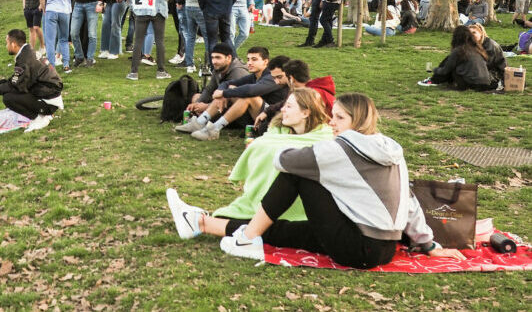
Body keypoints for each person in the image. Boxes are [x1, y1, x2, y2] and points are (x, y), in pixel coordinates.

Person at [168, 93, 465, 268]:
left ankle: (244, 239)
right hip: (381, 247)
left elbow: (283, 162)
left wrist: (289, 148)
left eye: (338, 118)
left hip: (358, 246)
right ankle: (201, 223)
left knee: (296, 175)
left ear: (356, 122)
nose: (331, 123)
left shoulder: (341, 148)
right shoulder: (390, 147)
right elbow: (408, 200)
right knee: (284, 231)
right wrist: (428, 245)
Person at [171, 88, 334, 234]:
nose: (283, 109)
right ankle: (198, 220)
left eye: (289, 106)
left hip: (303, 210)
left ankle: (198, 221)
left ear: (306, 113)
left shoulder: (324, 139)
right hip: (276, 202)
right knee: (230, 216)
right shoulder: (278, 132)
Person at [184, 48, 289, 141]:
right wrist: (223, 93)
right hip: (259, 115)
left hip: (274, 117)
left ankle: (215, 128)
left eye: (254, 59)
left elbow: (251, 91)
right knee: (230, 89)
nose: (249, 63)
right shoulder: (254, 76)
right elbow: (227, 84)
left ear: (265, 61)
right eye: (248, 59)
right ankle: (200, 122)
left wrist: (224, 93)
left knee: (248, 97)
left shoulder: (273, 76)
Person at [175, 43, 250, 134]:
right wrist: (197, 103)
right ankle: (200, 120)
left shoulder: (238, 72)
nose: (214, 61)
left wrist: (206, 106)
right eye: (213, 57)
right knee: (196, 96)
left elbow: (232, 101)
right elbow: (209, 89)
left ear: (229, 58)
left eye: (218, 58)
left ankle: (201, 122)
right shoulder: (219, 68)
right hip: (221, 104)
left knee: (222, 97)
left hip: (237, 113)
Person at [126, 0, 172, 81]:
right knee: (159, 40)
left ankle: (133, 72)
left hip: (141, 10)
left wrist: (134, 7)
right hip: (157, 10)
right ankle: (161, 70)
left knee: (138, 40)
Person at [421, 26, 493, 91]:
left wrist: (434, 69)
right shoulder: (477, 49)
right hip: (485, 83)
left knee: (451, 65)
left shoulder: (459, 51)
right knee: (450, 60)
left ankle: (434, 80)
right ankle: (435, 79)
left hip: (470, 83)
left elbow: (445, 70)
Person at [467, 24, 506, 88]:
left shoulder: (490, 45)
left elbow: (486, 64)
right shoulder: (473, 44)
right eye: (469, 33)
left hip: (494, 74)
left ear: (481, 33)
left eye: (474, 32)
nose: (471, 35)